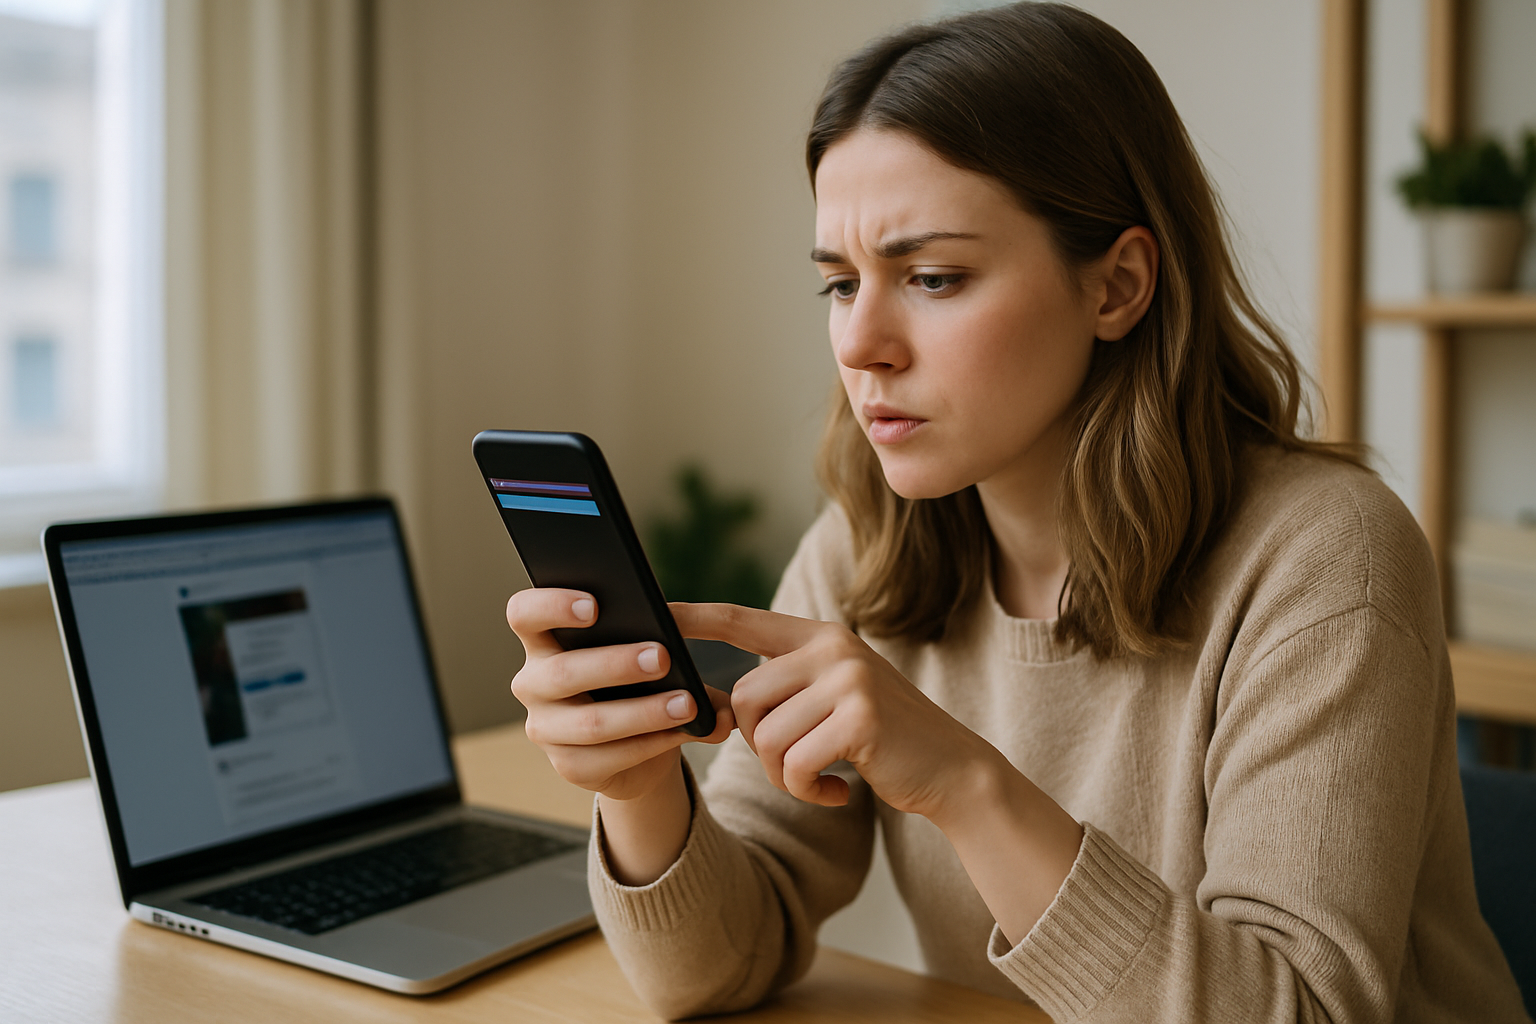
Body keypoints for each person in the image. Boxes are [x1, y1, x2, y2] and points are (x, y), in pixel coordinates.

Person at [505, 4, 1530, 1021]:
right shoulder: (867, 548)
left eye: (935, 276)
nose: (861, 344)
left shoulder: (1325, 558)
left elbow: (1298, 1013)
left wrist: (961, 778)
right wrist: (637, 785)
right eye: (839, 284)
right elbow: (711, 971)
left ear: (1118, 285)